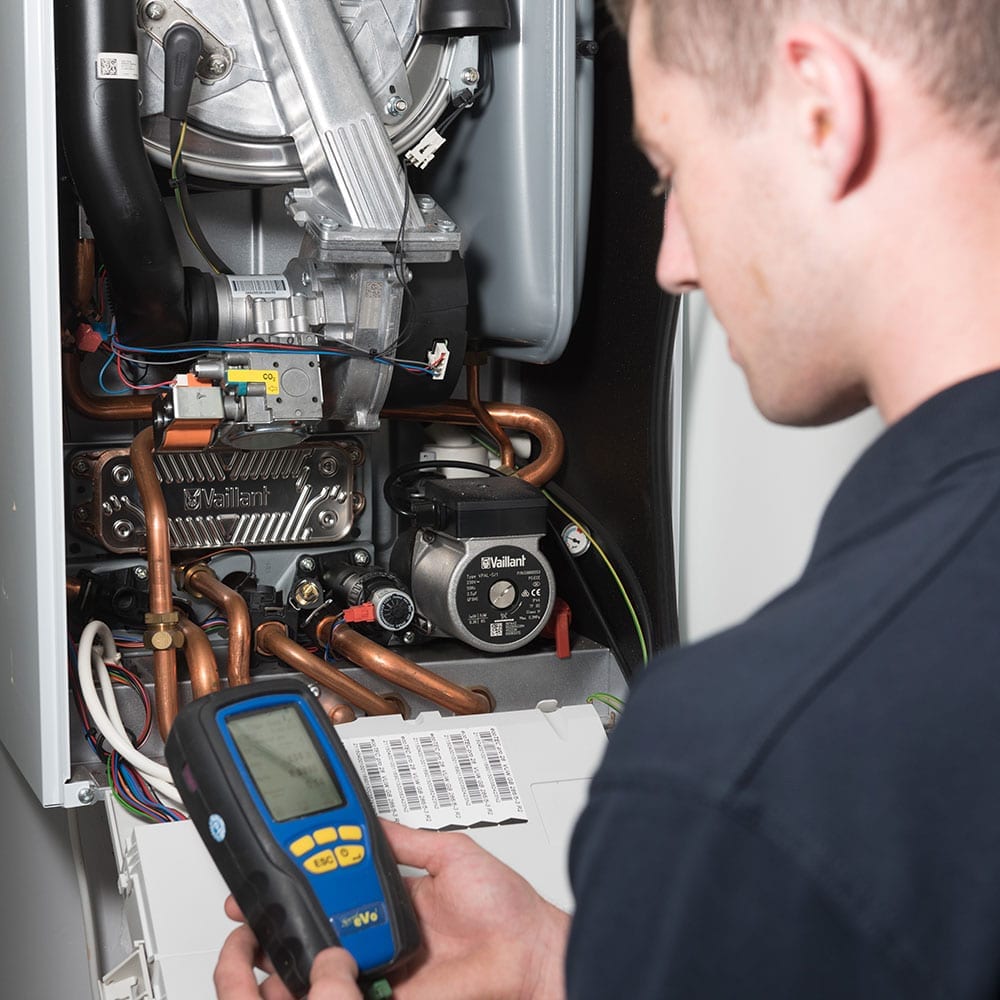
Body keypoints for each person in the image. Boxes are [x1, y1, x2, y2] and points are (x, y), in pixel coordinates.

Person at [217, 0, 1000, 995]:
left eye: (670, 171)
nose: (673, 259)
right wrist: (568, 960)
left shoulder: (741, 771)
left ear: (823, 110)